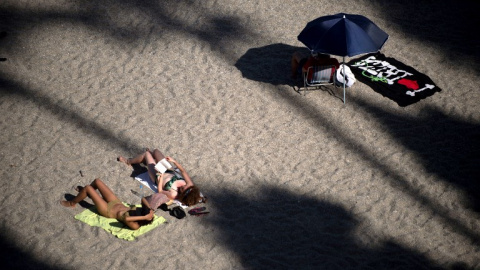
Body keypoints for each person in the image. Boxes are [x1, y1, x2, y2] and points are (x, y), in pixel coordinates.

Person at [118, 148, 206, 206]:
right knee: (156, 151)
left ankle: (129, 161)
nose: (185, 185)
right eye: (187, 186)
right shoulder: (190, 185)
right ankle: (150, 159)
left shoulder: (173, 194)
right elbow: (183, 171)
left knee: (146, 154)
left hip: (157, 176)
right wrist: (174, 162)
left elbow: (160, 191)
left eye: (184, 188)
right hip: (168, 169)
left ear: (182, 194)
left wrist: (160, 178)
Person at [60, 178, 154, 230]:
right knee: (97, 181)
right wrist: (150, 209)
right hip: (116, 202)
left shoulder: (136, 225)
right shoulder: (143, 212)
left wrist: (144, 217)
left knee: (88, 188)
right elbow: (143, 200)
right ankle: (84, 193)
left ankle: (72, 203)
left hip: (108, 210)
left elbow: (126, 218)